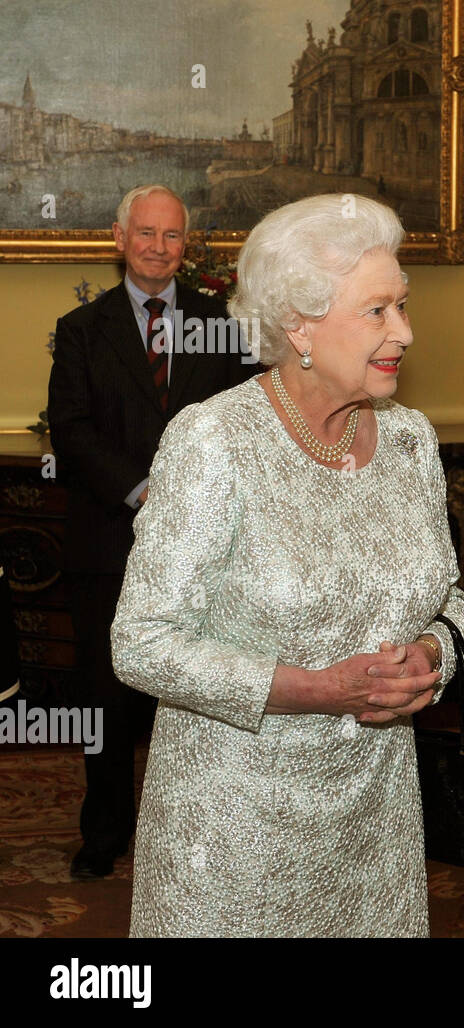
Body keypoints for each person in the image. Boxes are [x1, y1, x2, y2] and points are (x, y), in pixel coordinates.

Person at [111, 193, 464, 937]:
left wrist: (433, 654)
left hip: (376, 825)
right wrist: (317, 690)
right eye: (377, 312)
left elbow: (450, 599)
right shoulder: (214, 442)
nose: (405, 331)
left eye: (402, 305)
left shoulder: (411, 442)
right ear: (299, 325)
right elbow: (140, 643)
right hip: (234, 835)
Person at [47, 184, 254, 881]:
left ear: (184, 246)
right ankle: (104, 832)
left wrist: (195, 498)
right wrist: (144, 491)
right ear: (119, 237)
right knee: (106, 699)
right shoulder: (80, 330)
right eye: (146, 233)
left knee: (201, 696)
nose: (159, 247)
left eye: (172, 236)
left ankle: (201, 833)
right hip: (108, 542)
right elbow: (71, 431)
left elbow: (246, 420)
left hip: (209, 547)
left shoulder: (223, 323)